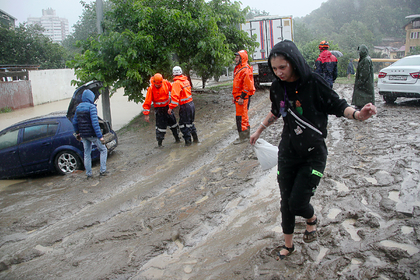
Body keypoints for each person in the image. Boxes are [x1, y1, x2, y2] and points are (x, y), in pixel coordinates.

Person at [249, 40, 377, 260]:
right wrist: (259, 130)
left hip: (313, 155)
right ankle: (288, 246)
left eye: (283, 67)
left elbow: (338, 105)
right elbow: (276, 111)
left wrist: (357, 115)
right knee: (286, 201)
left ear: (294, 63)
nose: (278, 73)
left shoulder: (314, 82)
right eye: (275, 68)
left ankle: (311, 219)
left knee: (298, 203)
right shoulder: (278, 87)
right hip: (288, 153)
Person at [73, 89, 108, 179]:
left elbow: (75, 122)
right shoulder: (91, 107)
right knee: (103, 150)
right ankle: (103, 171)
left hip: (84, 135)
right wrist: (100, 137)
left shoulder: (78, 107)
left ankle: (89, 174)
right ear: (90, 97)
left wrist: (77, 134)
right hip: (93, 135)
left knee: (87, 154)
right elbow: (95, 123)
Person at [143, 73, 180, 147]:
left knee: (173, 124)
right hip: (159, 110)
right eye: (157, 85)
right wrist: (146, 114)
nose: (158, 86)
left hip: (167, 108)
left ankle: (177, 138)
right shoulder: (151, 89)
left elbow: (173, 89)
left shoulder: (165, 83)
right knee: (160, 127)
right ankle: (160, 144)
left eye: (159, 84)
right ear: (154, 82)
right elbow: (147, 102)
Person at [168, 66, 198, 146]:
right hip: (191, 104)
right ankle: (196, 140)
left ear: (173, 74)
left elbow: (174, 99)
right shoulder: (186, 81)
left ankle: (188, 144)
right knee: (190, 123)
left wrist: (170, 108)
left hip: (185, 107)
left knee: (183, 125)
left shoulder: (176, 83)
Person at [232, 50, 256, 144]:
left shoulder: (245, 69)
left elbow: (247, 86)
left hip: (243, 98)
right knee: (239, 117)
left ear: (242, 58)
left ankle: (244, 137)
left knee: (242, 118)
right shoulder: (239, 69)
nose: (235, 59)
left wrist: (242, 97)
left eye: (237, 57)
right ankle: (242, 136)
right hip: (238, 98)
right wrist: (235, 97)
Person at [352, 44, 375, 109]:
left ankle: (361, 108)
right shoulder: (364, 59)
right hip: (365, 84)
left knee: (363, 98)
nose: (359, 53)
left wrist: (360, 82)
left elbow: (365, 73)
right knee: (363, 98)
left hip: (365, 85)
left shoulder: (366, 60)